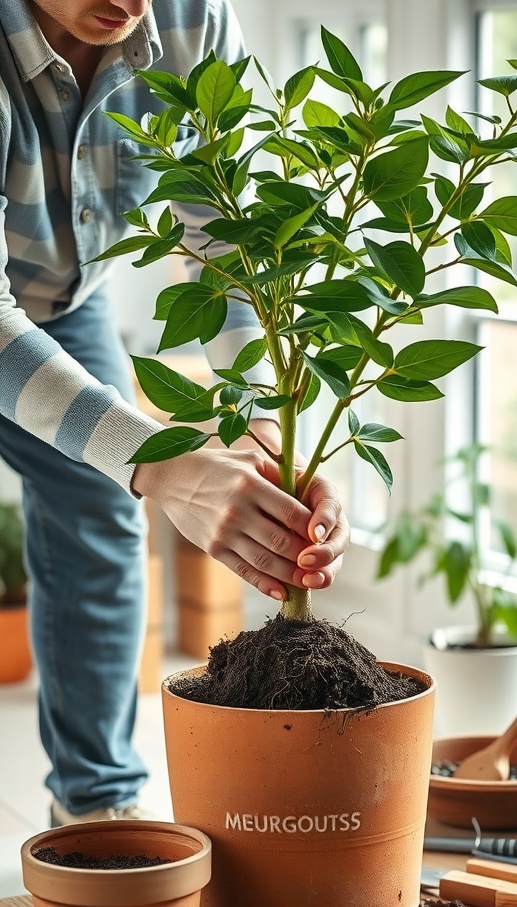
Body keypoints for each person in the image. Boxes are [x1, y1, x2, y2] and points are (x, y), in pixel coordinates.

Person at [0, 0, 350, 826]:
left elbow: (223, 231)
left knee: (98, 511)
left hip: (59, 299)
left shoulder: (191, 19)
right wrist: (156, 458)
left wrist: (266, 422)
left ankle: (96, 811)